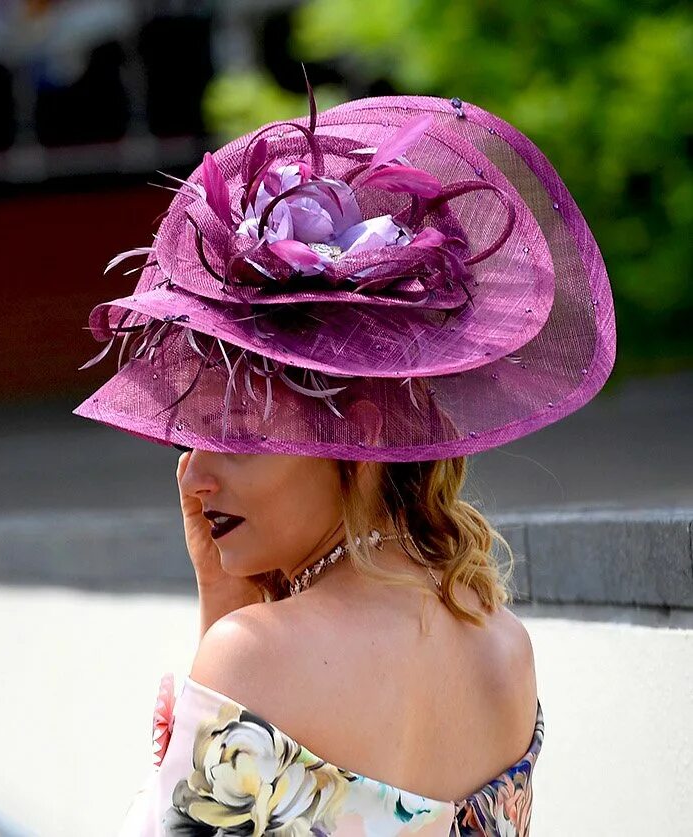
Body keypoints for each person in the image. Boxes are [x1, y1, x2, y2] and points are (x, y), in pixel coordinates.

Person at [76, 94, 613, 835]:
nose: (193, 478)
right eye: (186, 440)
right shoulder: (504, 650)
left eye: (235, 435)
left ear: (356, 435)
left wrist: (228, 630)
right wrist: (226, 598)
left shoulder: (257, 656)